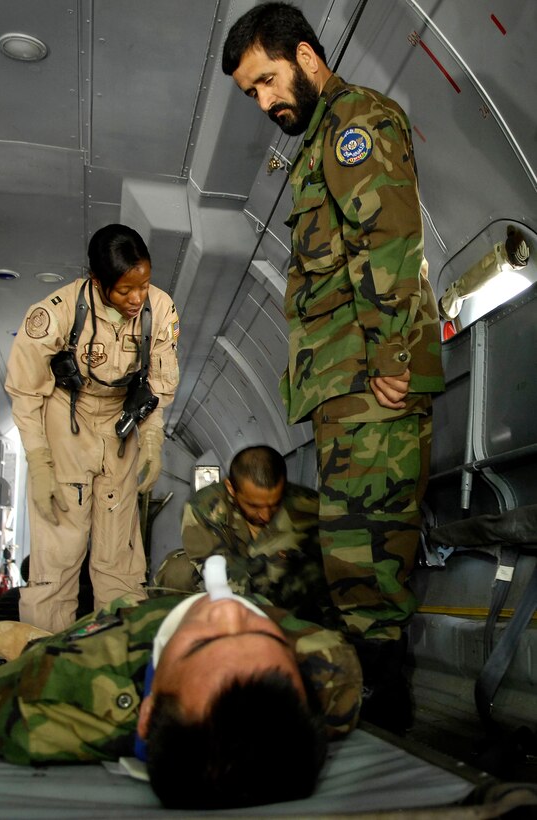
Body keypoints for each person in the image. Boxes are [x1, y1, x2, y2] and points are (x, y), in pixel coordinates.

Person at [222, 3, 445, 728]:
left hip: (370, 380)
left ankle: (385, 715)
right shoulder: (319, 139)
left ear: (307, 59)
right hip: (343, 387)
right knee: (351, 551)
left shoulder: (354, 127)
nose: (263, 102)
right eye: (251, 93)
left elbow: (387, 238)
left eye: (266, 81)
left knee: (365, 554)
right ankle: (374, 704)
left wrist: (392, 357)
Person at [0, 582, 362, 810]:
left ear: (148, 712)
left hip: (124, 621)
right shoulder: (330, 668)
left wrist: (141, 725)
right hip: (206, 594)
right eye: (263, 635)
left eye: (202, 644)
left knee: (13, 642)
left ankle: (39, 642)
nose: (228, 612)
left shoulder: (102, 668)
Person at [5, 224, 180, 633]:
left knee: (119, 551)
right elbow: (25, 392)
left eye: (144, 285)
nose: (137, 298)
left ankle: (118, 652)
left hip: (120, 423)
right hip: (67, 416)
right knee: (60, 549)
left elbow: (159, 383)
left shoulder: (161, 309)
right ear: (98, 282)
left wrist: (152, 437)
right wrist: (39, 459)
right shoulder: (56, 313)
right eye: (124, 290)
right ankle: (43, 654)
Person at [154, 445, 330, 622]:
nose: (266, 515)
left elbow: (331, 574)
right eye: (254, 506)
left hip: (288, 592)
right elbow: (222, 576)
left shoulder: (309, 507)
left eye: (274, 504)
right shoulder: (206, 506)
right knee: (178, 569)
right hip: (231, 586)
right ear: (231, 488)